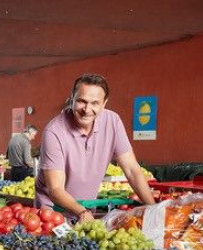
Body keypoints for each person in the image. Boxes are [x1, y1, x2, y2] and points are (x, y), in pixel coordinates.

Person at [35, 74, 155, 221]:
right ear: (72, 98)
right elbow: (55, 189)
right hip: (53, 215)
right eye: (81, 101)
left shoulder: (113, 122)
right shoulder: (54, 132)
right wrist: (82, 212)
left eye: (95, 103)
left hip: (85, 212)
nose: (87, 109)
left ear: (104, 104)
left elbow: (132, 171)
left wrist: (153, 210)